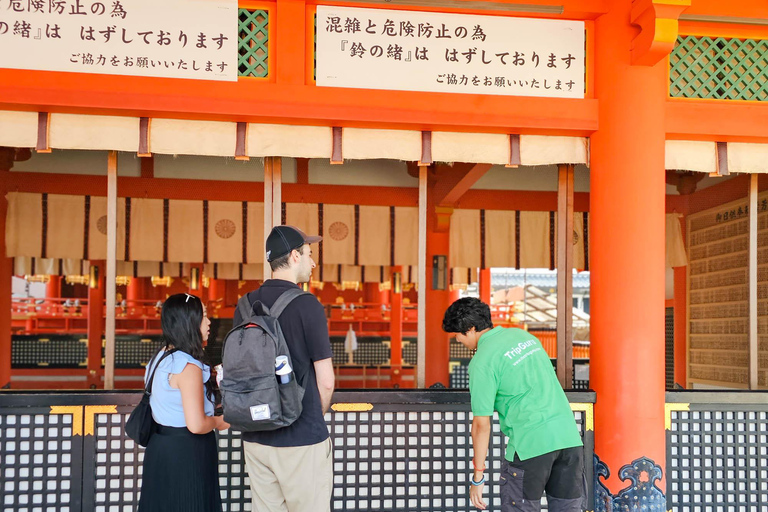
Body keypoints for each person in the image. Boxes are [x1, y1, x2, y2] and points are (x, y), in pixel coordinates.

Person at [442, 297, 584, 512]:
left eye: (457, 334)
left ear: (470, 329)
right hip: (568, 439)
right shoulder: (524, 337)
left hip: (531, 444)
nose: (457, 340)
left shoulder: (482, 362)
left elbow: (481, 425)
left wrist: (478, 477)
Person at [233, 225, 335, 512]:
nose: (313, 263)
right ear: (294, 256)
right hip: (300, 438)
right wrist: (313, 417)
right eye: (309, 254)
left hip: (256, 437)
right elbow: (326, 381)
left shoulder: (244, 305)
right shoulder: (307, 305)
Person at [138, 293, 229, 512]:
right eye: (203, 316)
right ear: (189, 322)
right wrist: (220, 422)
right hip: (187, 451)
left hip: (160, 447)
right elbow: (196, 425)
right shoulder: (188, 366)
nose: (209, 322)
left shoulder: (159, 357)